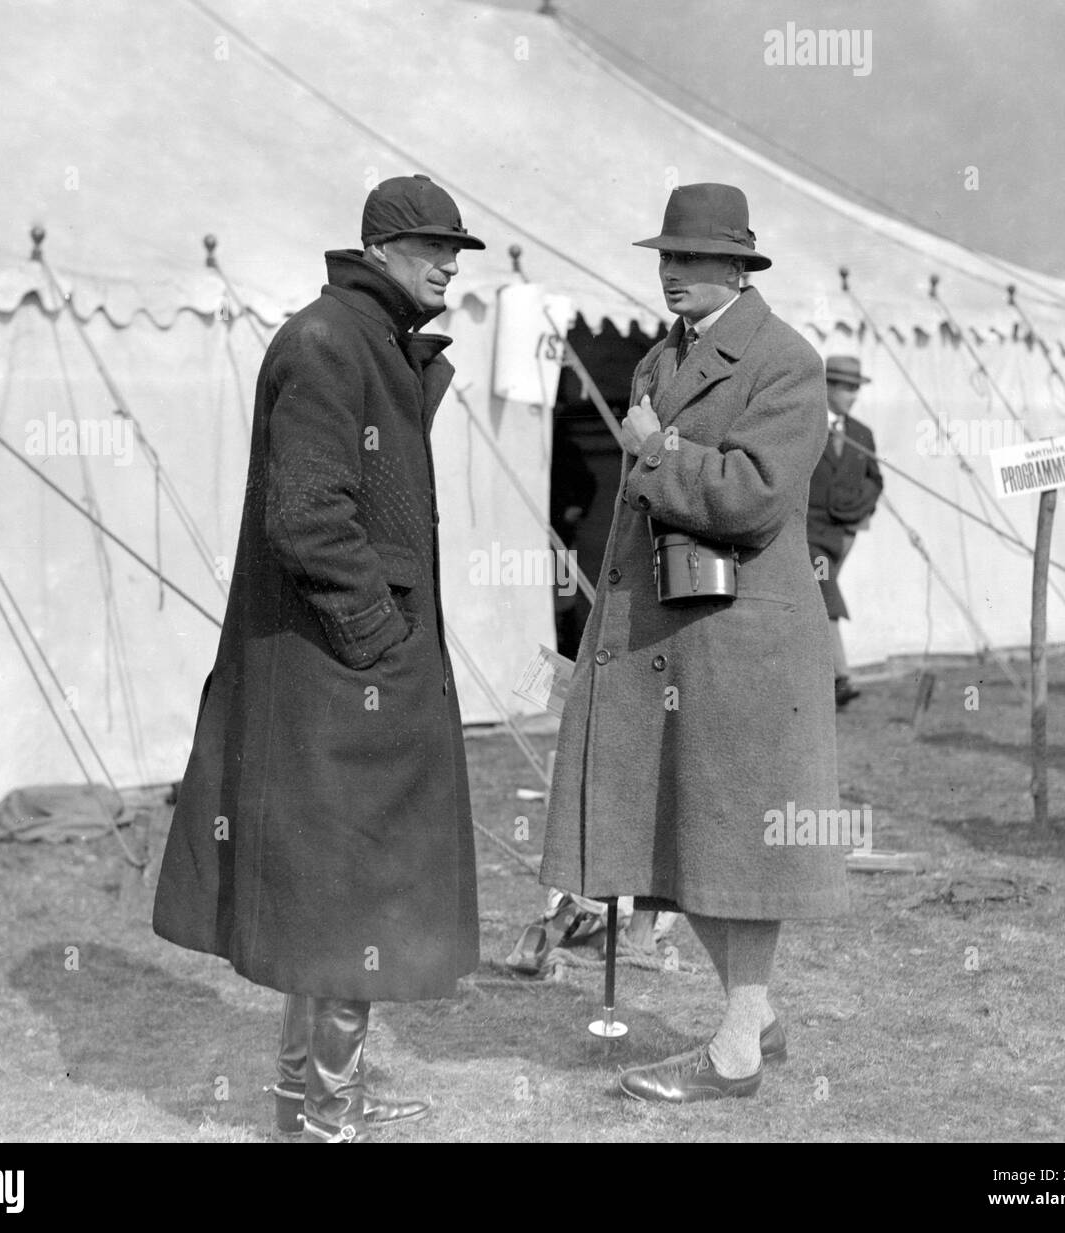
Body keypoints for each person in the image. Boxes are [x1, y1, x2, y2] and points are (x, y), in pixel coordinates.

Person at [152, 174, 484, 1142]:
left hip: (337, 672)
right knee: (352, 900)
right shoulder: (330, 344)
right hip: (339, 677)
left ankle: (309, 1098)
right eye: (430, 246)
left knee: (334, 900)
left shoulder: (362, 340)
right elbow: (307, 519)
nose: (448, 262)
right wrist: (381, 642)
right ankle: (329, 1117)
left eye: (455, 247)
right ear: (378, 250)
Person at [540, 182, 848, 1103]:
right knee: (684, 835)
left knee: (736, 842)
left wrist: (655, 454)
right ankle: (752, 1015)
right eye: (666, 257)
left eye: (692, 258)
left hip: (742, 645)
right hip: (666, 640)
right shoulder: (654, 363)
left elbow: (753, 498)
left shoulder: (786, 363)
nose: (672, 273)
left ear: (739, 267)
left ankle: (737, 1048)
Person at [806, 356, 883, 708]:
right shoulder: (805, 425)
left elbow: (875, 481)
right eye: (846, 388)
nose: (853, 396)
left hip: (843, 535)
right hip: (807, 531)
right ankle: (841, 676)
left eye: (856, 389)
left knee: (818, 599)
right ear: (827, 387)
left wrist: (856, 513)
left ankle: (820, 679)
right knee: (825, 593)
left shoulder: (862, 434)